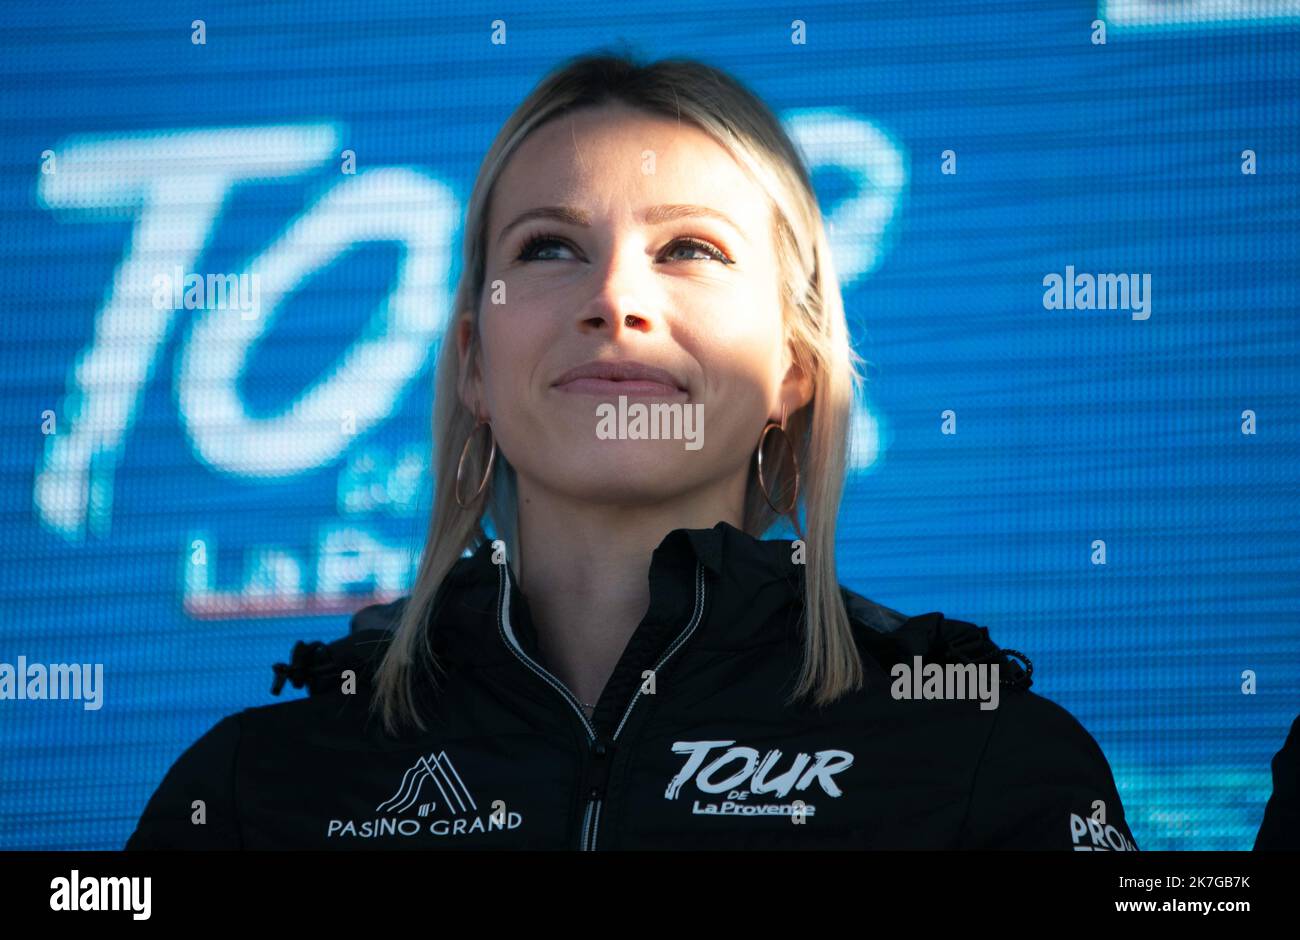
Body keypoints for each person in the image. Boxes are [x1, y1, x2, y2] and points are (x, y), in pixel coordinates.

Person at [125, 50, 1139, 851]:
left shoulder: (977, 754)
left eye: (689, 249)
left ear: (794, 364)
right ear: (474, 364)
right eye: (549, 248)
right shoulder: (258, 785)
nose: (615, 299)